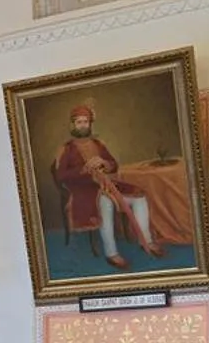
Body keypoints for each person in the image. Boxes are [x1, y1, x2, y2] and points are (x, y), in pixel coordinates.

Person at [52, 104, 163, 270]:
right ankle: (112, 253)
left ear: (90, 124)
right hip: (83, 190)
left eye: (85, 122)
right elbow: (61, 175)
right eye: (79, 122)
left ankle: (146, 241)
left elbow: (114, 165)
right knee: (105, 202)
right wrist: (84, 169)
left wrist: (104, 162)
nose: (83, 125)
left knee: (139, 197)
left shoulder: (98, 144)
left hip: (107, 185)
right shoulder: (66, 149)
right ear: (73, 125)